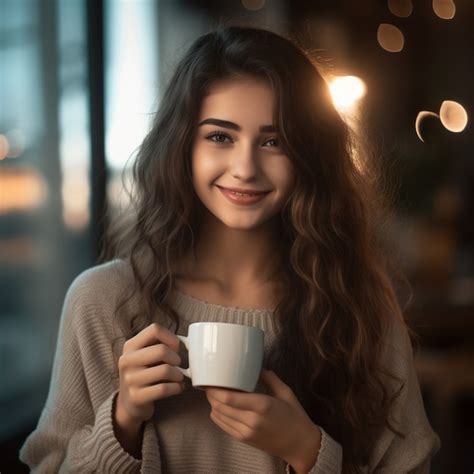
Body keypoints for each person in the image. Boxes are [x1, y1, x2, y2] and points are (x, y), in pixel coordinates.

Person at [19, 24, 441, 473]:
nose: (245, 168)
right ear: (182, 147)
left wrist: (307, 451)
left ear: (309, 156)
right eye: (220, 136)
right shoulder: (103, 301)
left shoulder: (361, 306)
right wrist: (122, 421)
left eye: (274, 141)